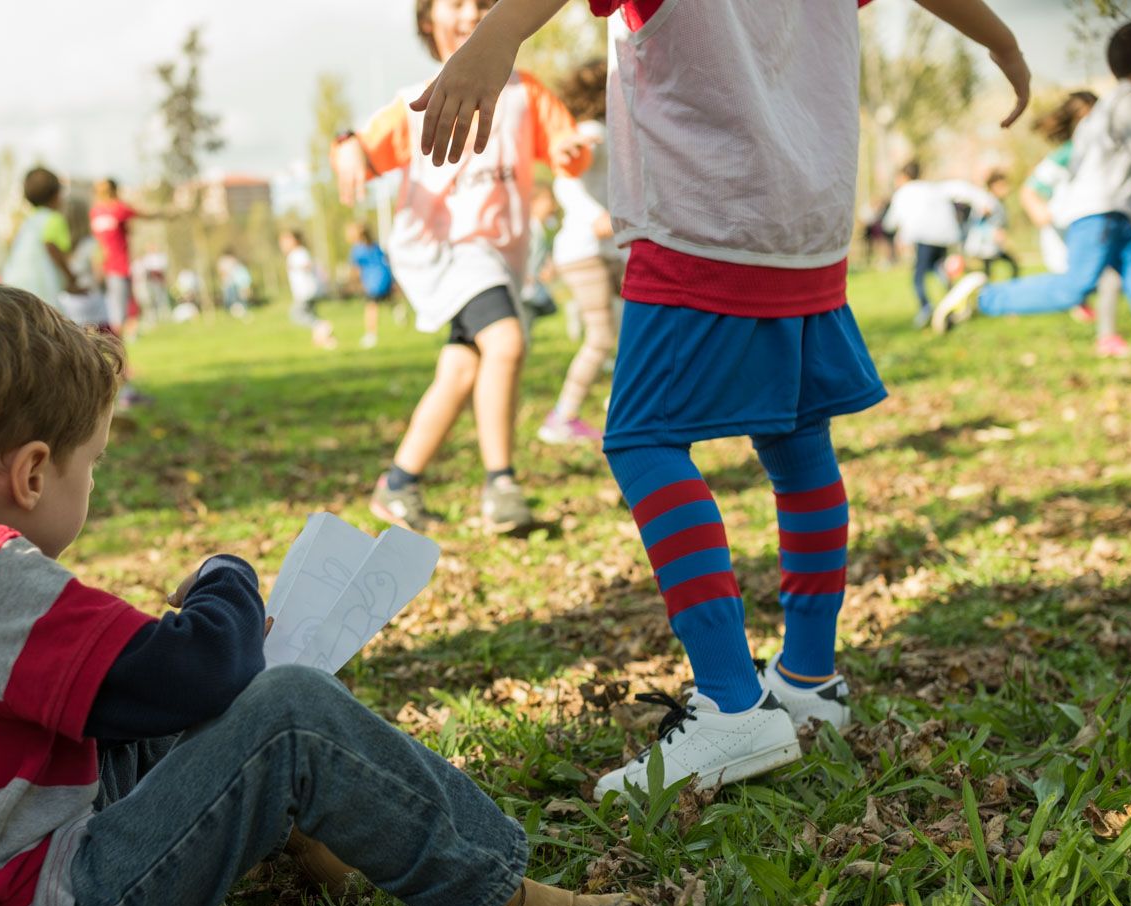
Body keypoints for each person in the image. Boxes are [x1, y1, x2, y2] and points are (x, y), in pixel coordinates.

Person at [0, 281, 625, 906]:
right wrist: (223, 573)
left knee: (157, 719)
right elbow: (207, 667)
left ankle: (312, 833)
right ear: (30, 474)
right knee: (292, 710)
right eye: (89, 464)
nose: (91, 480)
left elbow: (131, 693)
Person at [409, 0, 1027, 797]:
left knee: (641, 440)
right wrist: (1000, 37)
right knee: (799, 443)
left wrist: (496, 34)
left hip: (708, 214)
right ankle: (809, 680)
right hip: (808, 222)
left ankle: (733, 703)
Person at [331, 0, 591, 535]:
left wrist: (570, 150)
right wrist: (347, 150)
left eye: (482, 2)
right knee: (507, 342)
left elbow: (564, 139)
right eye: (456, 3)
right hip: (446, 252)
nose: (471, 12)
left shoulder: (525, 92)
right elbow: (362, 147)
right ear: (428, 19)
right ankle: (501, 485)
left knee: (462, 369)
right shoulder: (416, 102)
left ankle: (398, 484)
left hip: (499, 256)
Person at [935, 21, 1131, 360]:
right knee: (1073, 288)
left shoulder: (1106, 108)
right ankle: (984, 297)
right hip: (1100, 213)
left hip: (1108, 213)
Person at [539, 57, 621, 447]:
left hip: (606, 250)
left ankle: (624, 405)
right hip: (586, 249)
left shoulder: (606, 131)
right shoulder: (592, 132)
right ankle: (562, 416)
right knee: (601, 337)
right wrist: (595, 215)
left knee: (643, 322)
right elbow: (565, 183)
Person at [1020, 91, 1129, 357]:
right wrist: (1040, 211)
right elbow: (1030, 190)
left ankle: (1102, 330)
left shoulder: (1098, 150)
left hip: (1088, 223)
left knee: (1108, 278)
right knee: (1093, 281)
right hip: (1070, 226)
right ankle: (990, 298)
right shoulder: (1068, 153)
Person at [882, 162, 997, 328]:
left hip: (924, 236)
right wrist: (984, 202)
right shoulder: (933, 187)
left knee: (918, 275)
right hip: (945, 234)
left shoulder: (903, 192)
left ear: (903, 177)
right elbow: (962, 189)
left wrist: (897, 234)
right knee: (939, 268)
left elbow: (891, 222)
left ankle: (925, 307)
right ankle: (953, 300)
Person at [90, 178, 159, 341]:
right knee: (114, 318)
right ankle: (118, 359)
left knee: (117, 316)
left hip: (116, 269)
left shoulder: (113, 210)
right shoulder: (108, 210)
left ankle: (118, 357)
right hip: (108, 270)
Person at [2, 167, 78, 305]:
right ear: (57, 195)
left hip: (13, 282)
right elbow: (52, 247)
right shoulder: (54, 219)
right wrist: (71, 278)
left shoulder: (28, 221)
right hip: (41, 284)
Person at [279, 229, 338, 349]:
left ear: (296, 240)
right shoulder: (296, 253)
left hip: (306, 291)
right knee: (311, 314)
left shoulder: (298, 252)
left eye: (286, 240)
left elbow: (308, 264)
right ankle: (326, 341)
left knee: (296, 315)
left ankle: (322, 326)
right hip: (308, 291)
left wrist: (297, 266)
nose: (283, 244)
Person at [962, 169, 1019, 280]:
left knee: (993, 268)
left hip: (991, 244)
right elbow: (979, 219)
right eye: (1002, 186)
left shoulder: (997, 201)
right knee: (990, 269)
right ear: (993, 186)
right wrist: (993, 231)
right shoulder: (989, 201)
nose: (1006, 189)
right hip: (984, 244)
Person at [347, 221, 395, 347]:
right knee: (382, 300)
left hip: (374, 282)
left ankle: (371, 335)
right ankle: (397, 310)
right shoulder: (375, 246)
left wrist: (353, 284)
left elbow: (355, 270)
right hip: (385, 277)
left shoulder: (357, 250)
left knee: (371, 307)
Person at [520, 184, 560, 321]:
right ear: (532, 203)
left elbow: (542, 252)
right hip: (524, 284)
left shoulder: (544, 227)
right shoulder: (528, 227)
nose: (552, 205)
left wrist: (547, 265)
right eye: (547, 200)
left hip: (533, 284)